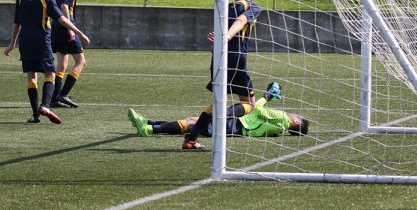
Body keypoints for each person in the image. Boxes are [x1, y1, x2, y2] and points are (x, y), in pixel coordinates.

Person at [183, 0, 262, 149]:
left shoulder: (225, 7)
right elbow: (241, 21)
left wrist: (221, 36)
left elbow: (221, 30)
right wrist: (227, 35)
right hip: (236, 58)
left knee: (219, 100)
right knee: (249, 104)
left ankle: (191, 139)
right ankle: (221, 117)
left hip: (218, 57)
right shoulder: (253, 7)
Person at [3, 0, 90, 124]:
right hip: (42, 41)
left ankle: (35, 115)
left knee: (32, 75)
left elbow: (16, 22)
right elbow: (62, 19)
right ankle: (46, 105)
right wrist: (79, 33)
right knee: (50, 73)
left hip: (25, 41)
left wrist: (11, 44)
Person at [127, 83, 309, 146]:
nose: (295, 114)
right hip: (238, 127)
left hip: (238, 124)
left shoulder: (283, 119)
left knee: (192, 124)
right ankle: (147, 122)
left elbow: (257, 109)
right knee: (194, 122)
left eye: (297, 116)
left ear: (295, 122)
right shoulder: (278, 130)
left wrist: (266, 96)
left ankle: (149, 128)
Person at [51, 0, 88, 108]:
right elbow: (64, 6)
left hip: (57, 27)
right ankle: (63, 94)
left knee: (62, 64)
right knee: (81, 62)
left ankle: (54, 98)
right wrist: (71, 29)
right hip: (66, 27)